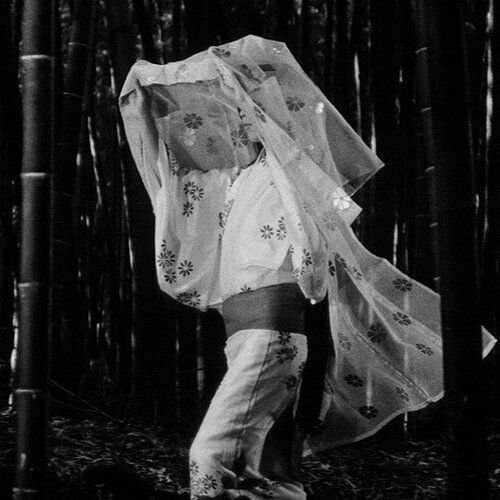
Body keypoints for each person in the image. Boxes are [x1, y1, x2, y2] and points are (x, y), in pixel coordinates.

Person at [119, 35, 496, 500]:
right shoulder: (226, 185)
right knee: (262, 475)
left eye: (244, 115)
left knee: (208, 460)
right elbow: (166, 182)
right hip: (245, 344)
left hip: (272, 344)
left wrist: (238, 83)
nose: (233, 126)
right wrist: (140, 112)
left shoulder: (289, 175)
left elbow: (279, 136)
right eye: (230, 118)